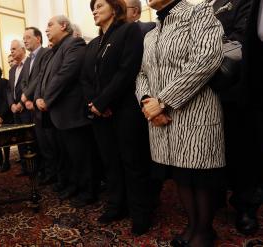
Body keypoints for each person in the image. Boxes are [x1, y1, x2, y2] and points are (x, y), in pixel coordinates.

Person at [136, 0, 224, 246]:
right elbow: (142, 73)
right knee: (181, 175)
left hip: (195, 112)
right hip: (160, 119)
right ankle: (193, 226)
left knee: (199, 174)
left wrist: (163, 102)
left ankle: (204, 231)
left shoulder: (199, 12)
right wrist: (147, 102)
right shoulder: (151, 33)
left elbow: (207, 58)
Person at [81, 0, 152, 235]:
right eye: (92, 6)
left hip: (124, 110)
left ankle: (140, 213)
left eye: (99, 4)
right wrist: (95, 104)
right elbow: (86, 78)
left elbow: (128, 69)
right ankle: (116, 206)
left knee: (133, 162)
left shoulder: (128, 30)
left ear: (115, 7)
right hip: (100, 114)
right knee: (110, 162)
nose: (94, 9)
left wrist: (103, 102)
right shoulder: (92, 43)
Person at [210, 0, 263, 235]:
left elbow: (240, 38)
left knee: (243, 151)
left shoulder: (246, 1)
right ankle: (219, 194)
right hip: (211, 90)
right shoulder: (210, 4)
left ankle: (246, 205)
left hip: (238, 88)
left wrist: (204, 50)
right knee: (218, 149)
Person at [35, 15, 96, 208]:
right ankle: (74, 185)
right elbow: (43, 78)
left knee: (81, 156)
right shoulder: (54, 51)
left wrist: (47, 99)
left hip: (71, 113)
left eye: (50, 24)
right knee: (67, 156)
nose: (46, 29)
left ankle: (89, 191)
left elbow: (65, 75)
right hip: (56, 113)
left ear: (64, 26)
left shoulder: (74, 44)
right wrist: (38, 97)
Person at [21, 27, 56, 185]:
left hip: (41, 103)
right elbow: (24, 81)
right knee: (39, 142)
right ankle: (44, 171)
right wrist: (26, 99)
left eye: (28, 37)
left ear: (38, 39)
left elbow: (40, 78)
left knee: (49, 143)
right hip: (30, 106)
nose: (25, 40)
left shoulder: (45, 53)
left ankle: (52, 174)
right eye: (24, 38)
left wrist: (28, 95)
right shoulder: (27, 60)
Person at [7, 39, 32, 176]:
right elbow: (9, 90)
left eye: (14, 49)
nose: (11, 52)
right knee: (20, 140)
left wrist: (21, 104)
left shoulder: (29, 64)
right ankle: (24, 167)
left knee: (30, 140)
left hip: (26, 109)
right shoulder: (12, 70)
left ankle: (35, 167)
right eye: (11, 49)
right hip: (15, 111)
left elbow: (30, 86)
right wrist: (11, 104)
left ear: (23, 49)